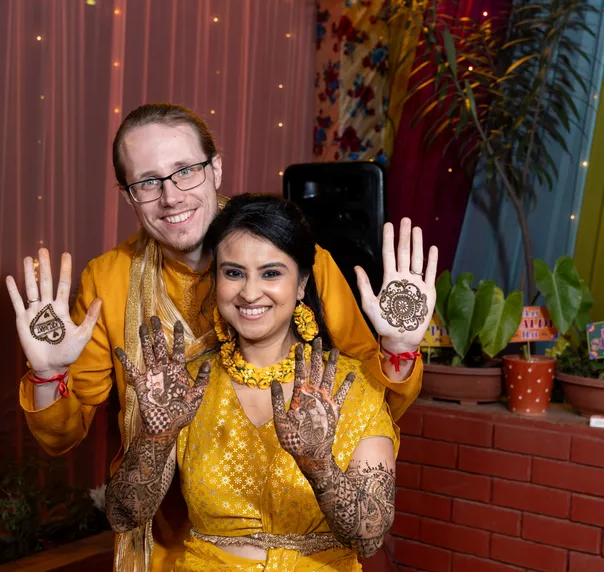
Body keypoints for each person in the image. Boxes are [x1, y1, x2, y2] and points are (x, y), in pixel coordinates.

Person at [5, 104, 437, 571]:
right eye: (147, 182)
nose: (171, 197)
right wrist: (48, 375)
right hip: (164, 545)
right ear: (129, 196)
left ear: (215, 169)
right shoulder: (108, 281)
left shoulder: (294, 253)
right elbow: (64, 439)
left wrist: (398, 349)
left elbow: (366, 399)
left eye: (184, 171)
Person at [106, 194, 436, 570]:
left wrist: (320, 465)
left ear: (301, 283)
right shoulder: (186, 386)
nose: (250, 293)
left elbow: (369, 538)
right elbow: (122, 516)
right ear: (215, 280)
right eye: (233, 273)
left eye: (271, 273)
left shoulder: (352, 385)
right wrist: (156, 438)